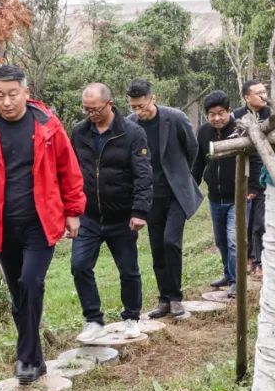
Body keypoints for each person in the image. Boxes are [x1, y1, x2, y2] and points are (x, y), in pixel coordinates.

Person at [0, 64, 84, 386]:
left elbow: (68, 170)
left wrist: (73, 211)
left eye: (13, 94)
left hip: (41, 222)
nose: (6, 101)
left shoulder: (48, 126)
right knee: (19, 295)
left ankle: (25, 358)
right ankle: (36, 360)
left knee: (30, 283)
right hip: (1, 226)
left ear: (26, 92)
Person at [69, 83, 152, 343]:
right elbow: (71, 172)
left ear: (110, 104)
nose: (90, 114)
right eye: (86, 109)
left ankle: (131, 317)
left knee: (128, 270)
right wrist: (70, 210)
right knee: (79, 266)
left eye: (95, 109)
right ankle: (93, 319)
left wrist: (139, 211)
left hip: (122, 216)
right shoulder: (79, 132)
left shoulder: (132, 133)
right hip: (88, 216)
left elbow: (143, 174)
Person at [127, 78, 203, 318]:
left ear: (153, 99)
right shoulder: (130, 124)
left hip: (176, 193)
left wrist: (181, 175)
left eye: (141, 106)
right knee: (157, 247)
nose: (138, 111)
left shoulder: (175, 118)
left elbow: (192, 149)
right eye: (133, 106)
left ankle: (176, 297)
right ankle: (164, 299)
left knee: (171, 242)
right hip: (150, 196)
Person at [192, 91, 240, 297]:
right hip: (215, 197)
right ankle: (228, 274)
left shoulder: (240, 130)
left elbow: (254, 161)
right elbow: (198, 161)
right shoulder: (204, 132)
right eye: (212, 114)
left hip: (238, 195)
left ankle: (237, 281)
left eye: (221, 113)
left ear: (229, 111)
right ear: (206, 115)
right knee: (221, 240)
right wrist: (192, 185)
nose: (217, 118)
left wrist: (253, 188)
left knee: (233, 240)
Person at [232, 79, 272, 275]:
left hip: (267, 175)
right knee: (244, 223)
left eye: (265, 91)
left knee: (260, 222)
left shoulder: (271, 115)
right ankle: (247, 258)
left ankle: (260, 261)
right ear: (247, 97)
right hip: (244, 177)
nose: (264, 96)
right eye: (259, 93)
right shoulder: (237, 116)